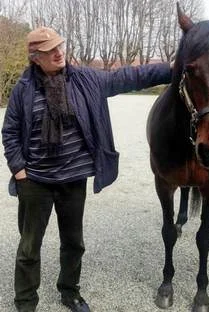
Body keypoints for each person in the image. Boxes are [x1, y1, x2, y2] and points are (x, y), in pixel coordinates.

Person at [1, 26, 172, 312]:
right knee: (29, 248)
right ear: (35, 57)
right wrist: (19, 169)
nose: (59, 53)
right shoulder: (24, 89)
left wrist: (172, 68)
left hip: (73, 180)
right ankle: (26, 301)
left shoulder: (86, 80)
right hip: (36, 182)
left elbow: (127, 76)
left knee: (74, 243)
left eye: (60, 46)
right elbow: (10, 131)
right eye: (50, 50)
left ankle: (70, 292)